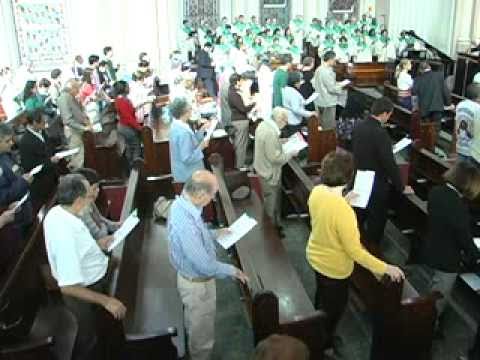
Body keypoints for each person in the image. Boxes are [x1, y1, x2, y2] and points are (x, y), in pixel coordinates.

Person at [307, 150, 405, 355]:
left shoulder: (317, 192)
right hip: (334, 268)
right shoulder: (344, 212)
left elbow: (326, 214)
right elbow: (356, 252)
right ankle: (324, 345)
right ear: (349, 177)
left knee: (322, 297)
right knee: (334, 309)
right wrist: (386, 267)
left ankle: (318, 325)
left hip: (315, 256)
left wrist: (344, 200)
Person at [167, 170, 248, 360]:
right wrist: (233, 270)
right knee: (201, 332)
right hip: (197, 286)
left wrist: (216, 233)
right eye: (212, 195)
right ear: (201, 194)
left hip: (194, 279)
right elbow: (204, 265)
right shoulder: (185, 221)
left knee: (195, 324)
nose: (213, 199)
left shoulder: (184, 205)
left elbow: (199, 235)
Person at [44, 174, 126, 360]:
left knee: (99, 334)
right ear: (79, 200)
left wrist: (98, 245)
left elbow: (79, 250)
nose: (92, 199)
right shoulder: (65, 233)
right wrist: (106, 301)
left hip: (94, 277)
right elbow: (68, 286)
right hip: (86, 290)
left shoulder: (59, 211)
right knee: (90, 340)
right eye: (89, 196)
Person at [421, 161, 480, 327]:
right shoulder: (457, 206)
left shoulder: (436, 191)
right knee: (438, 301)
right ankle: (426, 331)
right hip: (447, 261)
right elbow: (464, 238)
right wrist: (476, 256)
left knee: (433, 286)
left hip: (432, 248)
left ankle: (424, 316)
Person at [352, 97, 413, 244]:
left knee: (360, 213)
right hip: (376, 181)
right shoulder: (380, 133)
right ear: (385, 113)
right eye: (390, 115)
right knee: (377, 218)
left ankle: (356, 241)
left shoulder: (359, 126)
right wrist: (401, 186)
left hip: (359, 176)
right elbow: (389, 163)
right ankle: (373, 248)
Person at [254, 107, 297, 233]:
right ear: (281, 120)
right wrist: (291, 154)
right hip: (269, 173)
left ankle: (276, 226)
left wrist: (283, 141)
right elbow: (275, 158)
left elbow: (268, 145)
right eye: (286, 121)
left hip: (262, 168)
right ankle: (271, 234)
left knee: (273, 200)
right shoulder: (271, 133)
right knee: (271, 204)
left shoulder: (263, 125)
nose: (286, 124)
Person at [18, 110, 60, 208]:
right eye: (42, 123)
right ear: (33, 123)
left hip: (53, 176)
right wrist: (50, 162)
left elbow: (50, 148)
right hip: (42, 183)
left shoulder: (42, 132)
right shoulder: (25, 142)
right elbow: (29, 166)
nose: (45, 124)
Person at [168, 97, 208, 183]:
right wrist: (201, 146)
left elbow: (190, 142)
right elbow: (187, 158)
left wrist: (202, 130)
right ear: (184, 112)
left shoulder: (176, 125)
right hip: (188, 175)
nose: (191, 110)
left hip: (182, 172)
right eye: (190, 108)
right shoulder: (183, 132)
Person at [73, 168, 120, 240]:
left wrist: (118, 225)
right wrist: (103, 225)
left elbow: (101, 219)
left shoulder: (89, 201)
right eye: (94, 188)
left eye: (98, 186)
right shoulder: (82, 212)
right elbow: (100, 236)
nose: (98, 190)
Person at [57, 79, 92, 169]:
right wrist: (83, 128)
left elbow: (78, 112)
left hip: (79, 129)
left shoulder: (71, 97)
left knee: (81, 155)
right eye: (77, 89)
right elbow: (67, 120)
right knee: (77, 158)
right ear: (71, 88)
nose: (78, 92)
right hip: (73, 132)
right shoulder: (63, 98)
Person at [412, 62, 452, 133]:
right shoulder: (439, 76)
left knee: (425, 130)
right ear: (429, 67)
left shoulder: (417, 79)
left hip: (424, 109)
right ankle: (435, 141)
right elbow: (445, 91)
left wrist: (415, 108)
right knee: (435, 130)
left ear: (420, 70)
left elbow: (414, 94)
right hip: (437, 107)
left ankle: (427, 142)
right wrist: (448, 103)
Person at [313, 51, 346, 129]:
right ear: (330, 60)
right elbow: (332, 88)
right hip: (327, 102)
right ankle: (327, 141)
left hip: (320, 100)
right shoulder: (326, 71)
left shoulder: (319, 68)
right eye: (334, 60)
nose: (335, 62)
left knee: (321, 124)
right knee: (328, 127)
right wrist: (341, 88)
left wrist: (337, 84)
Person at [228, 73, 255, 169]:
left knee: (240, 143)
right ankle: (240, 165)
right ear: (237, 81)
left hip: (238, 120)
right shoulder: (234, 94)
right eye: (241, 80)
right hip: (240, 121)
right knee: (241, 145)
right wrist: (254, 104)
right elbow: (243, 109)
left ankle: (240, 164)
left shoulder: (233, 91)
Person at [113, 80, 142, 169]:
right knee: (135, 146)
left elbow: (130, 111)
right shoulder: (121, 100)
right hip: (126, 128)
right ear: (123, 89)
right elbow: (128, 118)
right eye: (127, 86)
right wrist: (139, 128)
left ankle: (132, 168)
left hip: (125, 126)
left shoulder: (122, 99)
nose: (129, 88)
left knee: (130, 147)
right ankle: (135, 168)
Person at [281, 71, 316, 137]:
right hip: (294, 121)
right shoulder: (293, 93)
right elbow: (296, 109)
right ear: (295, 83)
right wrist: (310, 113)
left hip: (290, 119)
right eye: (299, 81)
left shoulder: (286, 89)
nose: (301, 83)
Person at [455, 84, 480, 161]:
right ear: (478, 96)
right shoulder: (477, 108)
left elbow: (456, 124)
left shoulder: (460, 104)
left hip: (460, 146)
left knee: (460, 171)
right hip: (472, 150)